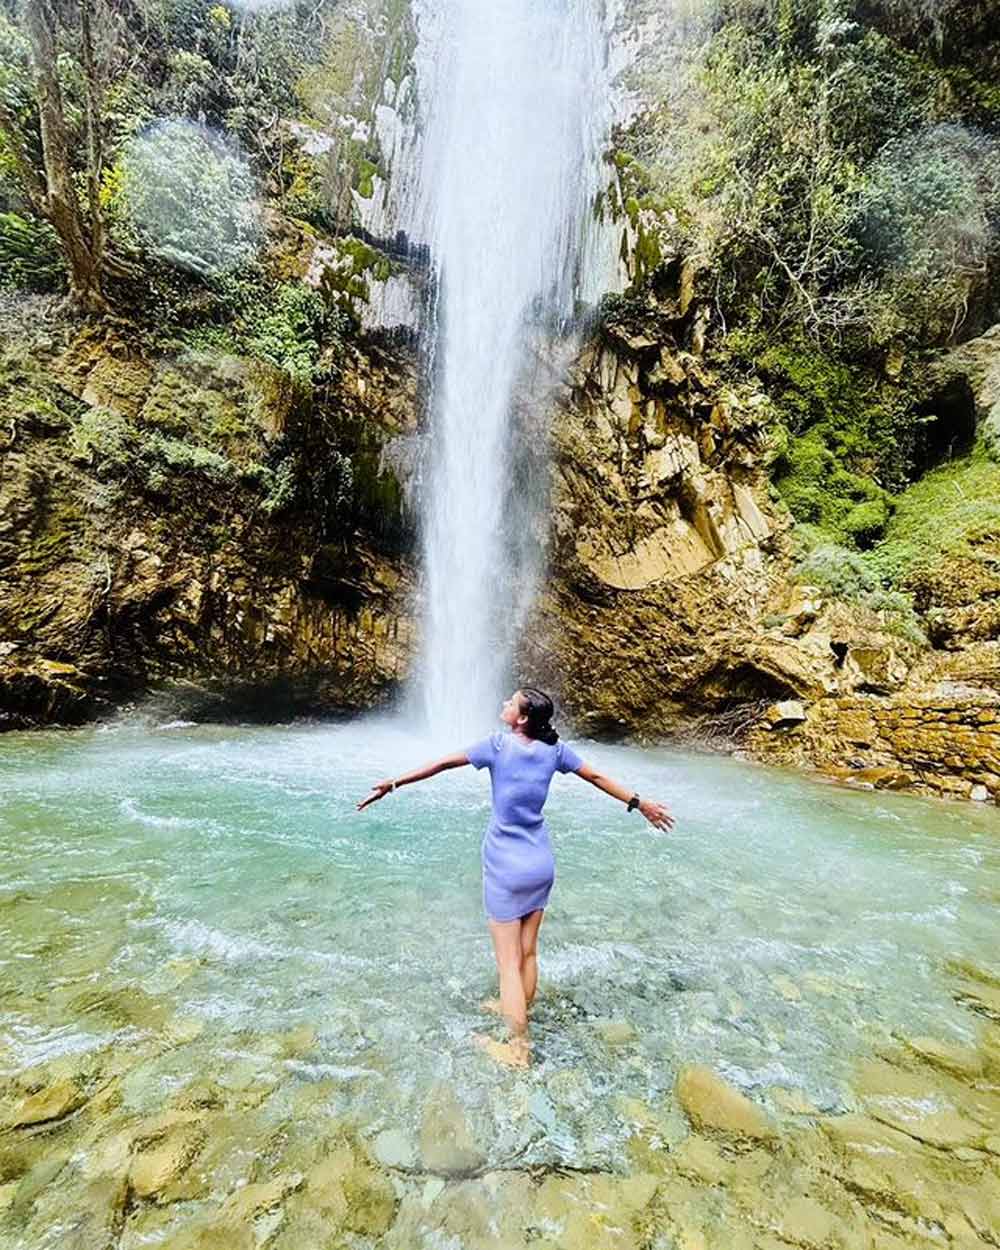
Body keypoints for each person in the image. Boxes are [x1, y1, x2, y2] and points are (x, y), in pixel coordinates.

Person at [356, 687, 674, 1067]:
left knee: (507, 964)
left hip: (505, 866)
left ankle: (517, 1049)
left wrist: (393, 784)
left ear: (522, 718)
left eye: (511, 702)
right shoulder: (555, 752)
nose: (504, 704)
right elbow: (597, 775)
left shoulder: (496, 746)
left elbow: (441, 764)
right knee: (528, 952)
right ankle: (518, 1007)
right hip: (540, 863)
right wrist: (641, 805)